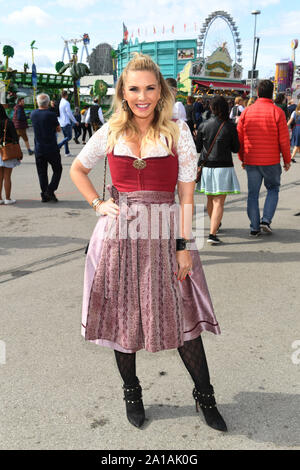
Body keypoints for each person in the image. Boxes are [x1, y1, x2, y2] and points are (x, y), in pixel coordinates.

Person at [70, 53, 227, 432]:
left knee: (181, 314)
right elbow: (78, 169)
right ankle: (132, 392)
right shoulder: (109, 131)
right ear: (123, 92)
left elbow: (186, 196)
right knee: (124, 318)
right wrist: (98, 203)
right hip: (118, 236)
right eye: (134, 88)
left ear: (161, 91)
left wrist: (184, 245)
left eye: (150, 88)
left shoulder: (178, 133)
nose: (142, 96)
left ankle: (205, 396)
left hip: (162, 232)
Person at [237, 80, 291, 236]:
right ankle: (266, 220)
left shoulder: (247, 111)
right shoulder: (277, 112)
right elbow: (284, 140)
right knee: (273, 189)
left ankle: (254, 227)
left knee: (253, 194)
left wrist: (242, 158)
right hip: (271, 161)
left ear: (258, 93)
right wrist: (287, 160)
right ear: (271, 93)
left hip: (251, 160)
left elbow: (239, 137)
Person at [195, 96, 240, 244]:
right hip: (224, 167)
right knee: (219, 202)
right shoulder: (230, 126)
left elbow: (197, 148)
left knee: (210, 199)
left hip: (207, 166)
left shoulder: (204, 125)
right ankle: (212, 234)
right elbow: (236, 148)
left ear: (212, 108)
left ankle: (215, 224)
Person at [30, 93, 63, 203]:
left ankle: (45, 194)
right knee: (57, 169)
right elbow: (58, 129)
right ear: (48, 103)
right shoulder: (51, 114)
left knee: (42, 172)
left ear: (38, 102)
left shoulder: (33, 114)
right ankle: (50, 190)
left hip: (39, 148)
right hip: (51, 147)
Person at [0, 104, 21, 204]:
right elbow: (15, 138)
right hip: (7, 151)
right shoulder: (8, 122)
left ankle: (0, 199)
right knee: (7, 176)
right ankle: (7, 199)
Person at [58, 90, 79, 157]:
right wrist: (75, 121)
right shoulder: (66, 103)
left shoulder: (60, 102)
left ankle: (67, 152)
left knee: (66, 137)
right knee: (69, 137)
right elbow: (69, 113)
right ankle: (59, 145)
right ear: (66, 95)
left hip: (61, 122)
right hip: (66, 122)